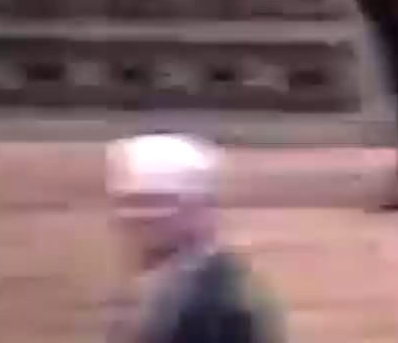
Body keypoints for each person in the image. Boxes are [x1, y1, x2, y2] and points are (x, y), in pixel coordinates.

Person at [105, 134, 283, 343]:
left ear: (200, 207)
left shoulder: (224, 301)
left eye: (156, 202)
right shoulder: (159, 283)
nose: (138, 216)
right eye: (128, 202)